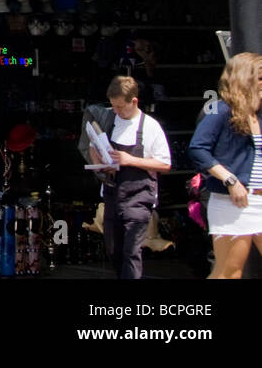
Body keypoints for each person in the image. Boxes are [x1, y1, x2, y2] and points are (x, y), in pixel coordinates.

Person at [83, 75, 172, 279]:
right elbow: (92, 147)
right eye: (113, 106)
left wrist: (129, 160)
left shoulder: (150, 126)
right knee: (113, 249)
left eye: (120, 107)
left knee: (131, 252)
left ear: (134, 101)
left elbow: (165, 164)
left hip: (138, 198)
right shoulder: (109, 120)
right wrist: (101, 161)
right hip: (112, 195)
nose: (116, 111)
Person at [189, 52, 262, 279]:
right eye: (260, 77)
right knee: (229, 272)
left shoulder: (258, 113)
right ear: (246, 79)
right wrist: (230, 180)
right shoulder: (220, 109)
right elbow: (198, 149)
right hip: (234, 201)